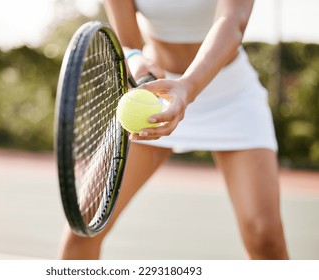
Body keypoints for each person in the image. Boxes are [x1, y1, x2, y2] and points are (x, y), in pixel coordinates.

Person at [59, 0, 289, 259]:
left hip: (231, 96)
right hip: (152, 94)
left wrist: (187, 87)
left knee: (264, 236)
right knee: (84, 226)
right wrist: (135, 60)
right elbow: (128, 43)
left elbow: (233, 22)